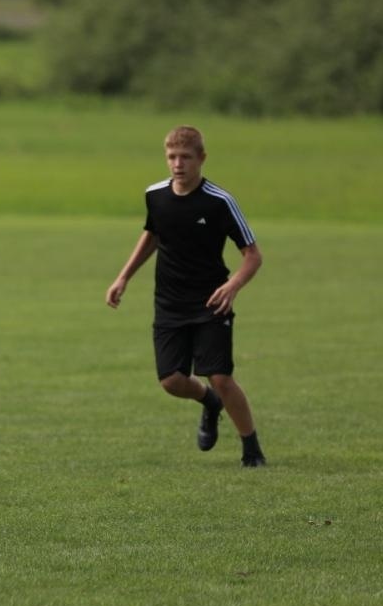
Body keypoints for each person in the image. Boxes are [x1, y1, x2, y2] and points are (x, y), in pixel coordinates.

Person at [105, 125, 267, 467]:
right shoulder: (155, 195)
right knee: (171, 381)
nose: (178, 164)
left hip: (211, 302)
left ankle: (251, 450)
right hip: (169, 302)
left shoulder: (219, 201)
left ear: (201, 158)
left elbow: (253, 255)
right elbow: (152, 235)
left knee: (220, 377)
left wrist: (232, 286)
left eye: (186, 157)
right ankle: (209, 402)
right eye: (172, 157)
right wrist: (123, 277)